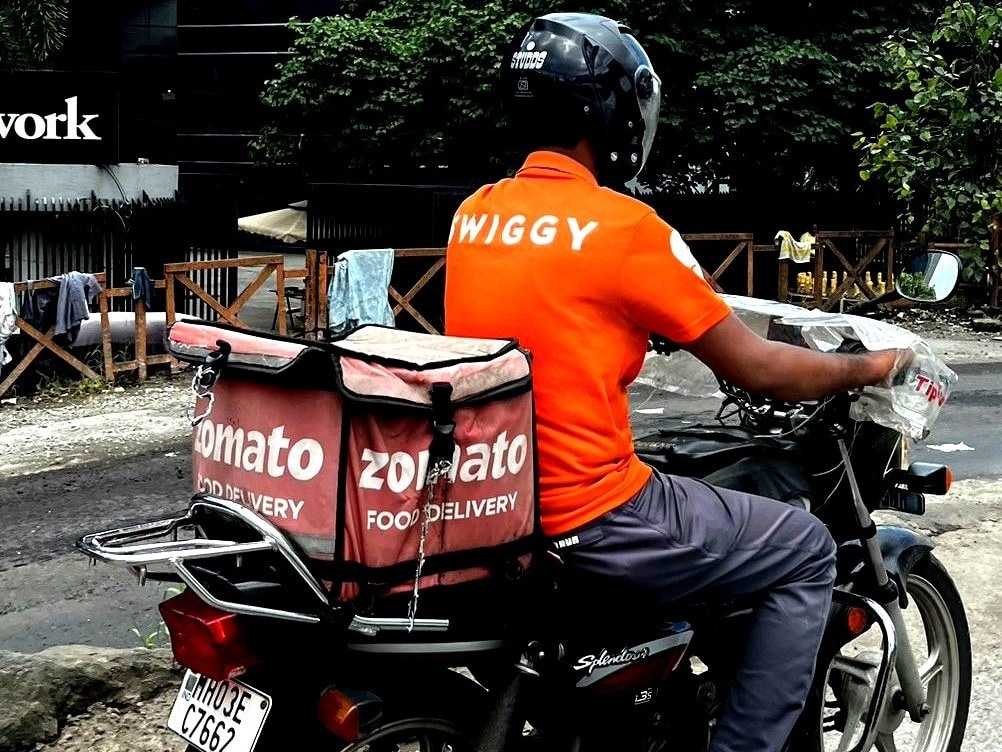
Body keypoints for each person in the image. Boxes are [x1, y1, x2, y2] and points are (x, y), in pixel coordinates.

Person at [443, 13, 903, 752]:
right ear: (612, 113)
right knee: (806, 547)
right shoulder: (628, 229)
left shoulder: (475, 215)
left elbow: (549, 317)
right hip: (594, 513)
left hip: (500, 503)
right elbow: (759, 368)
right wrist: (871, 366)